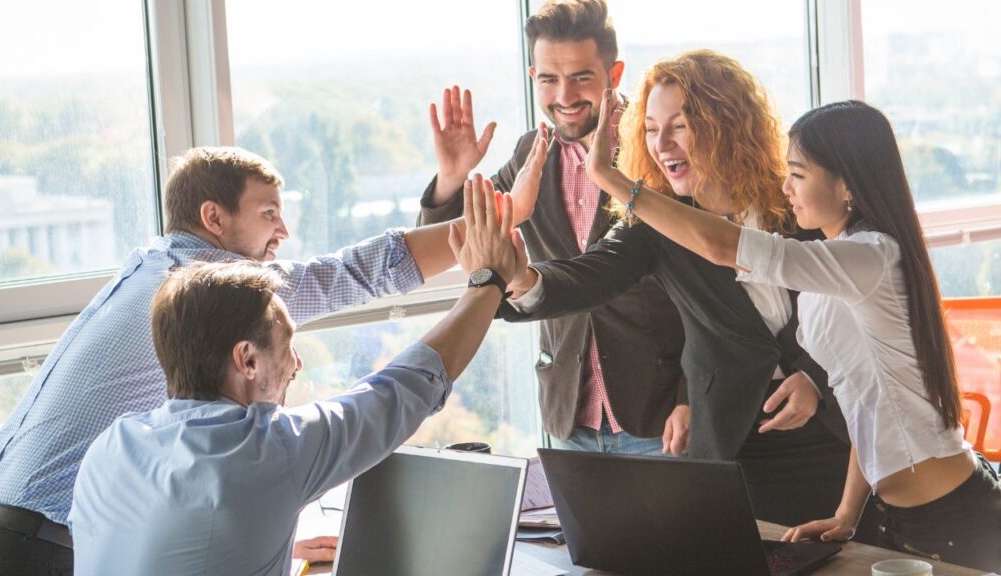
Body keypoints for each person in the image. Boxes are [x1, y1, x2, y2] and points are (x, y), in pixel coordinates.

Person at [0, 146, 462, 575]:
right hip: (33, 546)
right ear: (214, 217)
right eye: (269, 213)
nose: (283, 231)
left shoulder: (152, 265)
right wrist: (484, 233)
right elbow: (354, 275)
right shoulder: (199, 290)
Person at [582, 83, 1001, 569]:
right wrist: (846, 513)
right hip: (896, 514)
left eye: (798, 174)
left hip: (952, 516)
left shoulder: (872, 257)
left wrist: (613, 181)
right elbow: (863, 400)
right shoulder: (837, 264)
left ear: (847, 185)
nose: (785, 187)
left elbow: (724, 247)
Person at [68, 177, 525, 575]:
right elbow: (403, 389)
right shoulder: (266, 449)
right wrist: (489, 281)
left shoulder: (111, 447)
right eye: (286, 345)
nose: (296, 364)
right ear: (247, 360)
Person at [501, 51, 856, 529]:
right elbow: (587, 276)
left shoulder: (797, 199)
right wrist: (521, 280)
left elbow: (856, 299)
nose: (662, 144)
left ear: (726, 124)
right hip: (732, 445)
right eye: (650, 128)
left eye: (680, 126)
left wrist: (813, 374)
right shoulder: (655, 221)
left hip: (834, 435)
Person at [420, 0, 687, 456]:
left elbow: (710, 289)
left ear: (615, 74)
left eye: (582, 77)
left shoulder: (656, 150)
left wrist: (689, 395)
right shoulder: (531, 153)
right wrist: (451, 178)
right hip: (570, 414)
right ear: (533, 79)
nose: (564, 95)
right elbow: (453, 246)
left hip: (658, 416)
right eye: (549, 79)